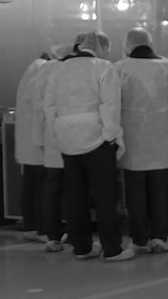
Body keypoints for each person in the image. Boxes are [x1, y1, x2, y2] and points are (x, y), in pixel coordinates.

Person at [44, 30, 131, 261]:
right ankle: (112, 248)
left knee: (75, 195)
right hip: (96, 138)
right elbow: (110, 105)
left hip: (67, 138)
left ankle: (81, 247)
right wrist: (111, 136)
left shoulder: (57, 69)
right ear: (100, 47)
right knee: (105, 196)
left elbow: (49, 106)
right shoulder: (103, 67)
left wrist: (57, 134)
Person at [113, 27, 168, 254]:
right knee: (160, 188)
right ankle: (160, 236)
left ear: (127, 45)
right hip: (162, 132)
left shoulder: (119, 68)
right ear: (150, 43)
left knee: (135, 190)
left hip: (132, 134)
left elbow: (112, 104)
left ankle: (139, 238)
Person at [12, 48, 53, 241]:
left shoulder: (32, 69)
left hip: (28, 141)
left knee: (30, 184)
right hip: (38, 140)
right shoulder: (43, 70)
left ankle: (30, 226)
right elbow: (43, 107)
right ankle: (43, 229)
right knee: (43, 186)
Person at [36, 44, 70, 252]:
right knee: (75, 189)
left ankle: (53, 235)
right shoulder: (71, 71)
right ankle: (74, 233)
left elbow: (41, 104)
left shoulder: (45, 70)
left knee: (53, 188)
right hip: (72, 139)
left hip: (52, 137)